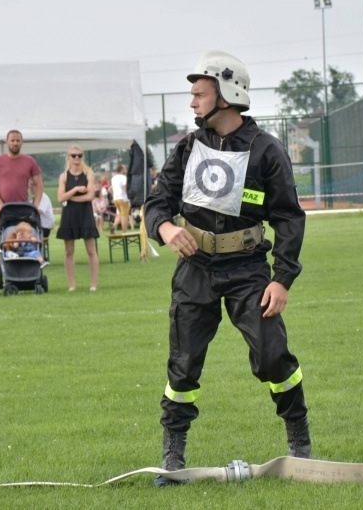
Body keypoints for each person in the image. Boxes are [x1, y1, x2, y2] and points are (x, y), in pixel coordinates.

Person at [143, 50, 310, 486]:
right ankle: (173, 458)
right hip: (194, 269)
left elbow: (289, 218)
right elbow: (157, 201)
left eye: (199, 93)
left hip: (250, 271)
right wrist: (163, 228)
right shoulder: (187, 146)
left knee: (274, 357)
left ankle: (300, 447)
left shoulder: (266, 151)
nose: (193, 102)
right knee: (183, 365)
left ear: (228, 93)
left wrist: (282, 278)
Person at [0, 130, 43, 281]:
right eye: (13, 140)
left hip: (23, 207)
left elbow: (39, 184)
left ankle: (31, 261)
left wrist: (35, 204)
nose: (15, 143)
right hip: (2, 206)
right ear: (7, 142)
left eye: (18, 140)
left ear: (21, 142)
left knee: (30, 231)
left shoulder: (30, 161)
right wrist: (0, 203)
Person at [56, 145, 100, 292]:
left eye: (79, 155)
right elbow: (60, 197)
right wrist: (75, 190)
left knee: (91, 250)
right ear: (68, 157)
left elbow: (90, 196)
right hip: (69, 215)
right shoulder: (64, 176)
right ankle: (72, 285)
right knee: (69, 251)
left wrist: (70, 197)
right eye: (73, 155)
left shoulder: (88, 173)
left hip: (85, 214)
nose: (76, 158)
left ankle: (93, 284)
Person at [111, 164, 133, 233]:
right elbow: (124, 188)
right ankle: (124, 232)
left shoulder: (113, 178)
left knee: (120, 214)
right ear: (121, 170)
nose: (126, 169)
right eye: (124, 168)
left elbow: (111, 189)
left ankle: (114, 226)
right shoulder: (124, 177)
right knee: (124, 216)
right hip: (123, 198)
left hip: (115, 198)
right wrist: (128, 197)